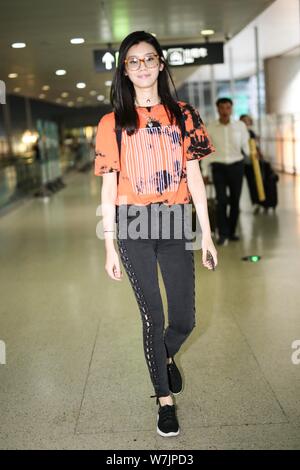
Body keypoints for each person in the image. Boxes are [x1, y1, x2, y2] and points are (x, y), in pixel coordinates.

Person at [94, 30, 217, 438]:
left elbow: (195, 178)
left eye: (149, 59)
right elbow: (109, 187)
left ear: (161, 64)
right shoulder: (112, 123)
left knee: (184, 318)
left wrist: (209, 236)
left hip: (176, 221)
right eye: (133, 61)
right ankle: (164, 401)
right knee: (154, 316)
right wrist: (110, 245)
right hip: (132, 224)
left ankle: (164, 356)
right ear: (124, 71)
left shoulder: (184, 115)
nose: (142, 67)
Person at [201, 98, 249, 245]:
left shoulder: (240, 126)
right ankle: (223, 233)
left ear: (231, 109)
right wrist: (204, 172)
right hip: (219, 168)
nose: (225, 111)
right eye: (222, 108)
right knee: (221, 201)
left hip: (236, 166)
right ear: (217, 109)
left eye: (228, 108)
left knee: (235, 200)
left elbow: (246, 146)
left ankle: (232, 231)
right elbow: (207, 151)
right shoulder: (211, 127)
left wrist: (253, 156)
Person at [240, 114, 263, 214]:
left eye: (247, 121)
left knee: (251, 183)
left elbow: (256, 147)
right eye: (243, 121)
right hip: (238, 163)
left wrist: (259, 153)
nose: (245, 123)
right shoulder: (237, 132)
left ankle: (255, 203)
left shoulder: (251, 133)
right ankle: (236, 205)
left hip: (250, 163)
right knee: (237, 186)